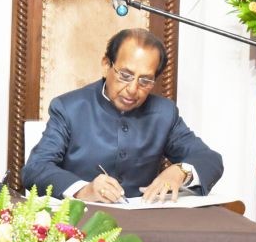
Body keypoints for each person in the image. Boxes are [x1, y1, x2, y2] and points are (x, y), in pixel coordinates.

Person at [22, 28, 223, 203]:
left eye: (145, 80)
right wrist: (83, 189)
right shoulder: (68, 108)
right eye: (125, 75)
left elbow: (210, 159)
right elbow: (36, 168)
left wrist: (181, 171)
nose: (133, 89)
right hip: (82, 220)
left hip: (143, 223)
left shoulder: (164, 113)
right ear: (106, 65)